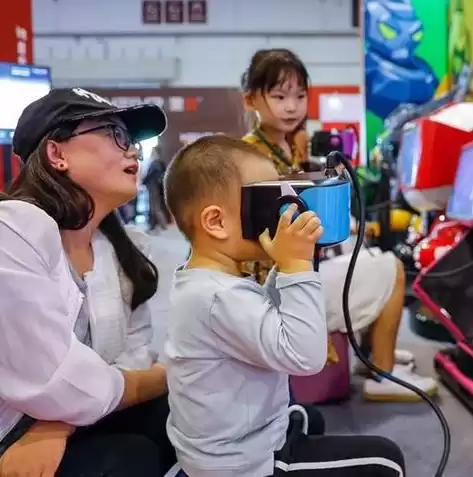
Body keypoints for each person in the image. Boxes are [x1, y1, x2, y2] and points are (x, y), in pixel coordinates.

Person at [162, 134, 405, 477]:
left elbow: (268, 316)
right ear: (216, 222)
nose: (278, 211)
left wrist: (287, 263)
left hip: (241, 437)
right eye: (264, 199)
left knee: (309, 418)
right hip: (243, 464)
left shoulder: (205, 281)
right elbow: (305, 357)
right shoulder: (217, 297)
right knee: (386, 461)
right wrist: (296, 268)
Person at [240, 48, 438, 401]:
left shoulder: (288, 147)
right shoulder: (250, 156)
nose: (292, 107)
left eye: (300, 96)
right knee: (391, 268)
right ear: (251, 99)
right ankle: (384, 374)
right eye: (279, 96)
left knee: (372, 257)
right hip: (276, 286)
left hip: (297, 270)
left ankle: (375, 358)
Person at [0, 88, 176, 477]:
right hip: (12, 435)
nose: (133, 151)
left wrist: (61, 421)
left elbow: (134, 352)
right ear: (57, 154)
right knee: (130, 456)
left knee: (181, 415)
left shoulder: (122, 247)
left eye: (132, 141)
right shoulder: (13, 230)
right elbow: (51, 380)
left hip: (68, 420)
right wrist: (166, 375)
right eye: (114, 134)